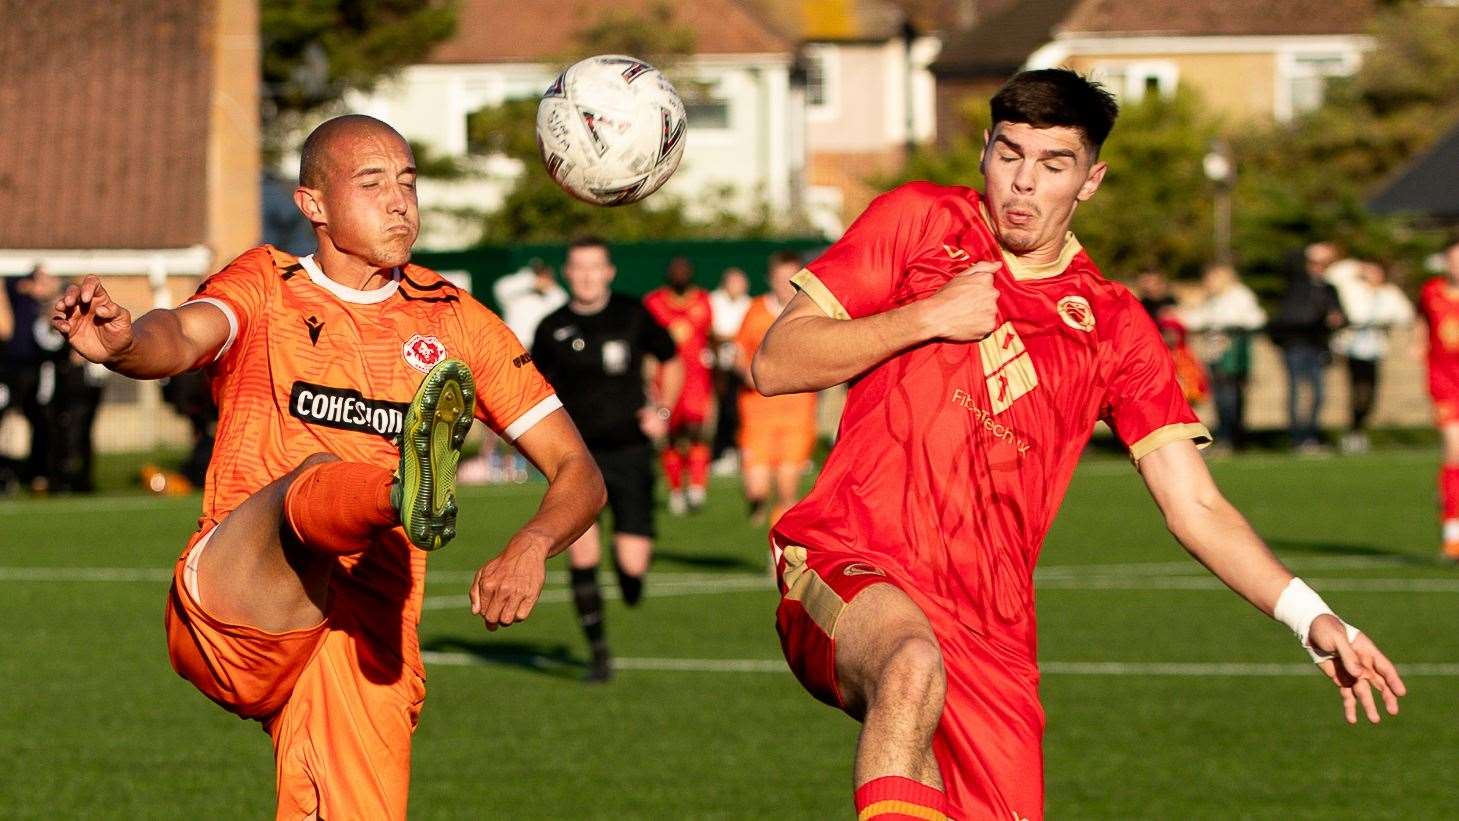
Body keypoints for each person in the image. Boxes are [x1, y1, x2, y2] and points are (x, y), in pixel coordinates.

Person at [751, 69, 1405, 821]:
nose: (1021, 184)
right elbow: (776, 362)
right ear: (983, 156)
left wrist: (1311, 617)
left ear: (1089, 180)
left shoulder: (1113, 322)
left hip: (989, 630)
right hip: (849, 555)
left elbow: (1194, 503)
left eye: (1052, 164)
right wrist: (924, 316)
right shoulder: (917, 220)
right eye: (1008, 154)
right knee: (907, 663)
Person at [50, 114, 605, 819]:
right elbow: (185, 332)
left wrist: (531, 543)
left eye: (407, 181)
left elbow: (578, 471)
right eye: (372, 182)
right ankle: (401, 488)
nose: (399, 200)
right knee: (311, 478)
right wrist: (125, 343)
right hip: (241, 600)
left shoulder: (458, 320)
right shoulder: (266, 282)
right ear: (312, 204)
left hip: (367, 637)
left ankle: (402, 490)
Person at [532, 236, 684, 682]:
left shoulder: (632, 313)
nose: (586, 275)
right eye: (578, 267)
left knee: (633, 564)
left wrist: (663, 412)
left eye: (594, 267)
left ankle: (630, 578)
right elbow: (532, 390)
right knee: (583, 555)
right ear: (566, 272)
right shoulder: (551, 328)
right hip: (575, 457)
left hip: (631, 451)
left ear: (609, 272)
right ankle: (598, 654)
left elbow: (672, 360)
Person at [733, 251, 817, 527]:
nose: (786, 285)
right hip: (758, 413)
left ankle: (777, 554)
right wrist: (748, 373)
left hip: (796, 414)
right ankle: (756, 501)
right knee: (757, 488)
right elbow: (738, 354)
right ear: (770, 280)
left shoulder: (810, 311)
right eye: (780, 279)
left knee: (787, 489)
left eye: (791, 279)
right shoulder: (756, 311)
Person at [644, 256, 714, 514]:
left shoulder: (704, 300)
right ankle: (675, 490)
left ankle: (696, 487)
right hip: (667, 379)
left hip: (697, 379)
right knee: (670, 436)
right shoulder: (654, 303)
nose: (680, 275)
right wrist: (649, 380)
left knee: (696, 430)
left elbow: (711, 336)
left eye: (685, 270)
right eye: (676, 271)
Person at [1270, 241, 1347, 452]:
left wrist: (1337, 318)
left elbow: (1340, 313)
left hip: (1317, 345)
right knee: (1296, 390)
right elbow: (1289, 260)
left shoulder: (1329, 288)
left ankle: (1311, 435)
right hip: (1295, 343)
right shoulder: (1297, 283)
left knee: (1319, 393)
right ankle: (1297, 437)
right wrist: (1308, 250)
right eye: (1314, 262)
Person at [1331, 261, 1413, 453]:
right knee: (1357, 389)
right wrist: (1356, 266)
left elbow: (1405, 315)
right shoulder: (1354, 289)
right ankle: (1352, 432)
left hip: (1374, 349)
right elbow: (1335, 275)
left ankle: (1359, 429)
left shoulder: (1390, 293)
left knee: (1370, 392)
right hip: (1353, 348)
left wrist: (1385, 319)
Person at [1182, 263, 1266, 451]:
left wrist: (1227, 326)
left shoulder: (1241, 295)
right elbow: (1197, 319)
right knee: (1221, 395)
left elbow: (1255, 318)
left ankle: (1234, 436)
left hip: (1233, 352)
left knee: (1231, 394)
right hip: (1215, 353)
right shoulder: (1212, 299)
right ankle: (1226, 435)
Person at [1418, 237, 1459, 560]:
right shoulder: (1431, 291)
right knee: (1454, 451)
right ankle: (1452, 532)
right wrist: (1417, 346)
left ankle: (1449, 497)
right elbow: (1422, 324)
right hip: (1444, 383)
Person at [709, 266, 753, 466]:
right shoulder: (713, 301)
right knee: (720, 409)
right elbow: (712, 332)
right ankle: (719, 451)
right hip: (717, 365)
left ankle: (736, 449)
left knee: (737, 409)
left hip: (741, 365)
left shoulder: (749, 304)